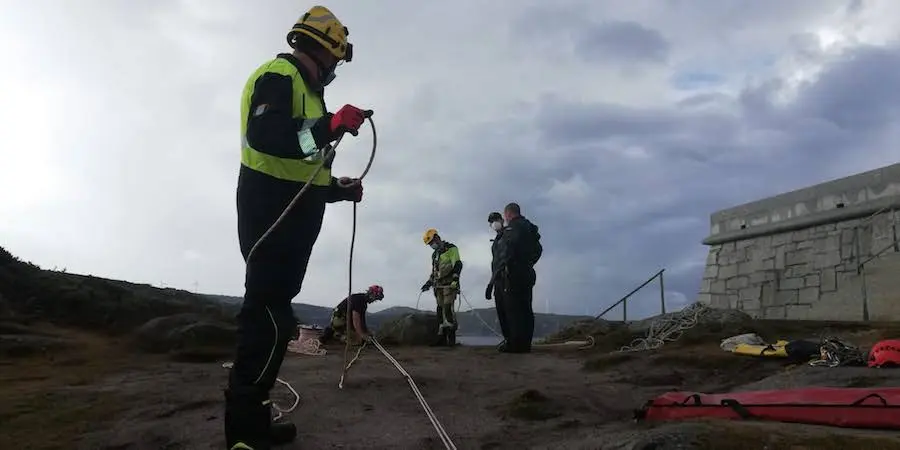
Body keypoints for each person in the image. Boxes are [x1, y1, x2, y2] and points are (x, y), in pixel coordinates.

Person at [226, 6, 370, 450]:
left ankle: (255, 420)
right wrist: (330, 125)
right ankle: (244, 435)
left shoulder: (306, 92)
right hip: (271, 216)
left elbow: (300, 167)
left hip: (287, 217)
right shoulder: (279, 76)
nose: (333, 72)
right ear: (325, 51)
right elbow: (268, 137)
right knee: (268, 319)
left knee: (273, 314)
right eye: (335, 62)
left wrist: (338, 189)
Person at [497, 203, 542, 353]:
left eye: (505, 216)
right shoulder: (530, 228)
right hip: (527, 273)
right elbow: (538, 250)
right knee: (526, 309)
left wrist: (504, 266)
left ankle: (515, 344)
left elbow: (508, 248)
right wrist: (529, 263)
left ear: (508, 214)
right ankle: (525, 344)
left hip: (513, 274)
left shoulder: (513, 228)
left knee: (513, 310)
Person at [420, 228, 463, 347]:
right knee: (440, 310)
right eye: (429, 244)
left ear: (437, 238)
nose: (431, 245)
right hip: (438, 286)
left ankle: (451, 339)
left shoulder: (451, 248)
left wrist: (455, 279)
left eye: (431, 242)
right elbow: (434, 272)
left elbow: (458, 264)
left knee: (448, 309)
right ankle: (442, 337)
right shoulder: (435, 255)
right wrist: (428, 283)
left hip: (449, 285)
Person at [319, 285, 385, 345]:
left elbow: (362, 320)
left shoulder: (363, 303)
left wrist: (367, 332)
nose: (374, 301)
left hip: (345, 320)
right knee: (357, 341)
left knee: (360, 338)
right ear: (371, 294)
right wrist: (362, 335)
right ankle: (336, 335)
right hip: (339, 320)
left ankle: (338, 332)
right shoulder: (359, 300)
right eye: (375, 298)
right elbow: (356, 320)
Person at [484, 212, 512, 352]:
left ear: (501, 219)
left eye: (495, 220)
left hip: (507, 279)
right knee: (501, 311)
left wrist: (491, 283)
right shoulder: (497, 238)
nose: (493, 224)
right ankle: (508, 339)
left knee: (509, 311)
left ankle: (513, 341)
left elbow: (503, 260)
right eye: (491, 222)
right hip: (498, 280)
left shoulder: (508, 235)